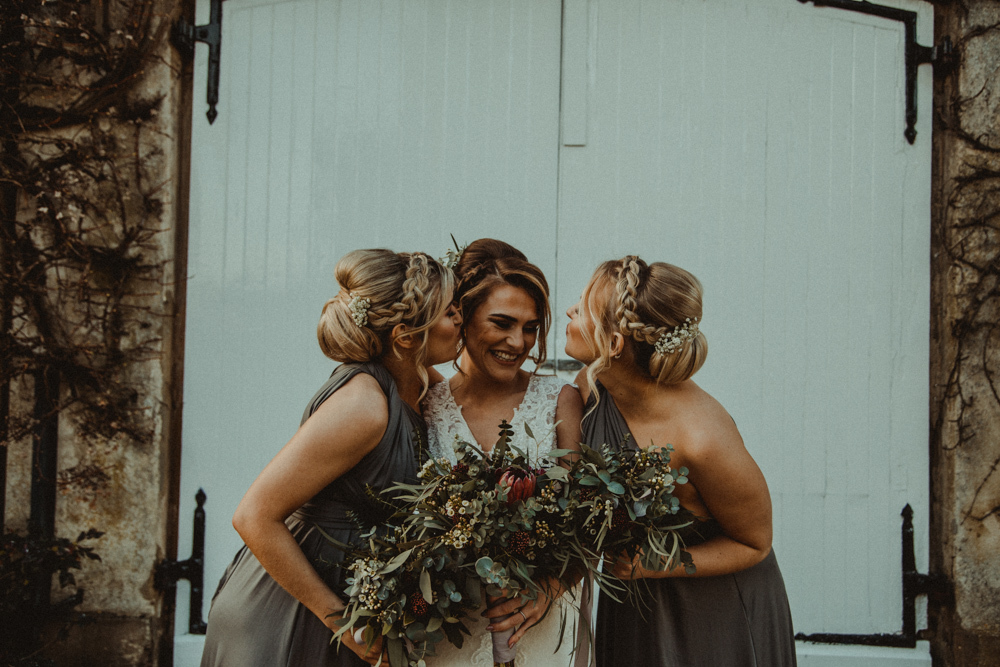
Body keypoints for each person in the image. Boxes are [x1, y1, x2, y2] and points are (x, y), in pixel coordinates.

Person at [200, 249, 462, 667]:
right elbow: (253, 515)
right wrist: (343, 621)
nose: (461, 320)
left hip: (352, 597)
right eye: (450, 312)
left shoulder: (422, 383)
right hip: (294, 608)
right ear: (406, 336)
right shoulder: (364, 405)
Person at [565, 256, 797, 667]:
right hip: (634, 599)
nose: (570, 311)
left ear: (614, 344)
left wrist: (655, 565)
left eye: (581, 308)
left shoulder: (702, 437)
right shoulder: (594, 384)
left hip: (712, 613)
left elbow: (755, 542)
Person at [422, 239, 586, 667]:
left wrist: (551, 588)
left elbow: (585, 518)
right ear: (462, 316)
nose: (519, 342)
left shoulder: (560, 400)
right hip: (455, 629)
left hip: (538, 619)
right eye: (502, 323)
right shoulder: (425, 404)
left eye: (530, 327)